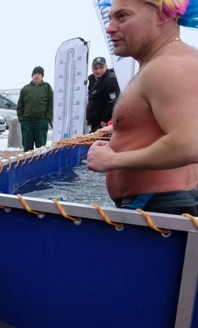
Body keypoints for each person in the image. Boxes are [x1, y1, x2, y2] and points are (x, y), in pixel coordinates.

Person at [87, 0, 198, 215]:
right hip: (156, 205)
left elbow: (190, 144)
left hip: (159, 208)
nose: (110, 28)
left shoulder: (170, 66)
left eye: (122, 16)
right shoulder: (166, 61)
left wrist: (113, 160)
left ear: (162, 14)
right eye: (110, 18)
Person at [17, 66, 54, 152]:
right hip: (27, 122)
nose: (37, 76)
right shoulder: (26, 89)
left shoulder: (47, 87)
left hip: (41, 122)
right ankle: (27, 161)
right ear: (32, 75)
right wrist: (22, 119)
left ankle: (40, 161)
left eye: (39, 74)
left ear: (42, 76)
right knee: (27, 148)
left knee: (40, 149)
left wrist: (47, 118)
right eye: (35, 74)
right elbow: (20, 105)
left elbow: (51, 104)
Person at [86, 57, 121, 133]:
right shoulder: (92, 80)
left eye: (101, 67)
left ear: (106, 67)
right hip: (94, 123)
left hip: (104, 123)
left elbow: (113, 102)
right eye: (95, 68)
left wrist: (105, 120)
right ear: (92, 69)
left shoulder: (110, 81)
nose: (98, 71)